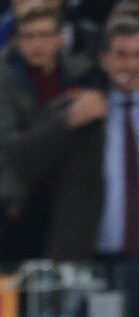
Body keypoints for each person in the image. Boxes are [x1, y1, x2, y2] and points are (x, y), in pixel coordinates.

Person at [11, 12, 139, 261]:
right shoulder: (75, 106)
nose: (131, 66)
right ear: (104, 60)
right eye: (122, 55)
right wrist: (67, 123)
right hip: (88, 259)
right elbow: (23, 165)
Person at [0, 3, 94, 260]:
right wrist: (66, 122)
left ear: (59, 38)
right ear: (17, 41)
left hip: (69, 196)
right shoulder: (5, 80)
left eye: (44, 35)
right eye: (29, 36)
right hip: (19, 197)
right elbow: (11, 145)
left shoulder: (81, 73)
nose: (37, 44)